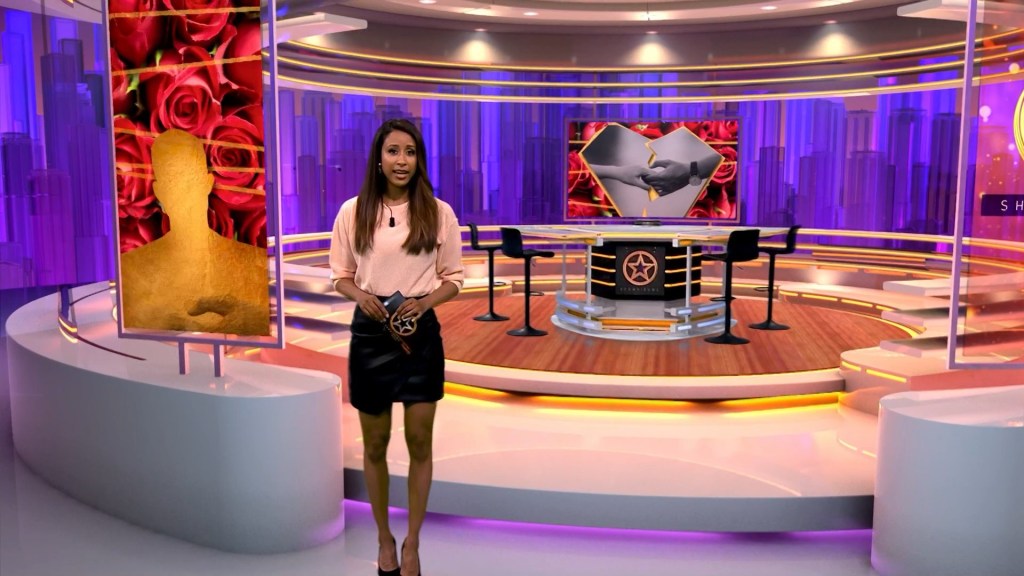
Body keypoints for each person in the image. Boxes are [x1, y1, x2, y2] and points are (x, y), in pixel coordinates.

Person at [329, 118, 464, 576]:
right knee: (375, 444)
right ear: (379, 158)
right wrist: (360, 295)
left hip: (419, 337)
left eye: (410, 152)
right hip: (370, 336)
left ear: (419, 159)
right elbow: (340, 275)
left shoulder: (438, 212)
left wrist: (425, 303)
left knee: (420, 441)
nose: (401, 160)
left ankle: (413, 543)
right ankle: (384, 538)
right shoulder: (353, 211)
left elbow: (454, 279)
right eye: (393, 151)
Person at [119, 129, 269, 335]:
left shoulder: (253, 264)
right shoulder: (131, 271)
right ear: (159, 192)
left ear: (207, 183)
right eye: (173, 182)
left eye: (190, 180)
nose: (184, 193)